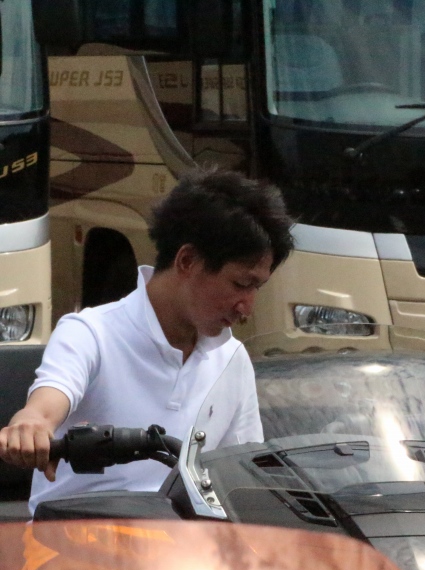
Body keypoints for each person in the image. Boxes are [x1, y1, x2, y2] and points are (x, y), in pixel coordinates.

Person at [0, 167, 295, 516]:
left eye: (257, 288)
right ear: (187, 261)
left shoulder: (232, 358)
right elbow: (47, 403)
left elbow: (244, 479)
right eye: (241, 284)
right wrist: (31, 425)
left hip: (183, 544)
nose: (247, 307)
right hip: (75, 536)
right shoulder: (90, 333)